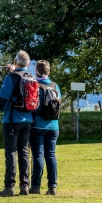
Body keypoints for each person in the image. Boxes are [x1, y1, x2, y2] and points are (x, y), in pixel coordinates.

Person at [0, 50, 34, 197]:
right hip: (28, 120)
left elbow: (2, 99)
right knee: (24, 152)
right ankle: (25, 186)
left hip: (12, 120)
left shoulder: (10, 78)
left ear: (15, 62)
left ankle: (9, 187)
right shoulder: (31, 77)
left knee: (11, 153)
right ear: (28, 64)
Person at [29, 60, 60, 195]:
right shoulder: (55, 86)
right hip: (53, 126)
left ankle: (35, 186)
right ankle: (52, 186)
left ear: (36, 71)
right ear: (49, 71)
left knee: (38, 156)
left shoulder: (35, 85)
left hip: (38, 125)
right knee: (51, 155)